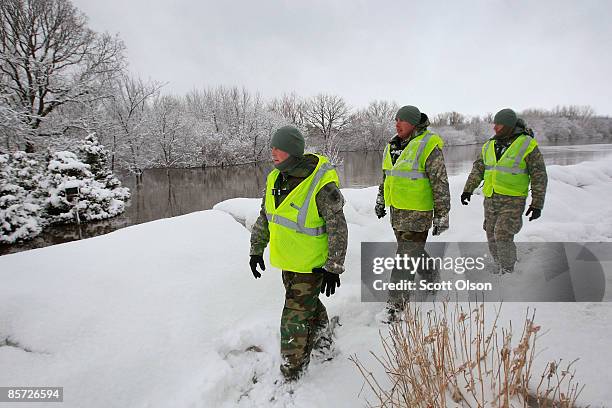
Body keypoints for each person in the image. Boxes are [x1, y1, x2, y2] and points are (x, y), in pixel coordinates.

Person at [249, 125, 348, 382]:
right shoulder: (275, 178)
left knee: (293, 318)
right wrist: (256, 249)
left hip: (313, 266)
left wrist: (333, 266)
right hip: (288, 262)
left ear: (292, 150)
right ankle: (324, 341)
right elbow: (266, 216)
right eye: (271, 146)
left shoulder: (320, 182)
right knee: (307, 306)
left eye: (278, 147)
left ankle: (291, 372)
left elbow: (338, 226)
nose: (272, 151)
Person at [375, 105, 450, 322]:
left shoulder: (428, 145)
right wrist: (381, 199)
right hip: (397, 211)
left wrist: (442, 214)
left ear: (414, 123)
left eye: (402, 120)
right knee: (409, 251)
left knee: (405, 257)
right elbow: (387, 176)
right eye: (396, 120)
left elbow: (440, 182)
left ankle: (395, 306)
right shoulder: (392, 146)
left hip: (419, 212)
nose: (397, 124)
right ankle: (430, 274)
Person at [462, 108, 548, 274]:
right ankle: (499, 264)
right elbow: (478, 169)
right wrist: (468, 190)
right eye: (494, 123)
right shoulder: (489, 145)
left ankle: (508, 272)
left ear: (508, 125)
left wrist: (537, 203)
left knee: (502, 234)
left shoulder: (526, 144)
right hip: (491, 197)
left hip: (513, 199)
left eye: (498, 124)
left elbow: (539, 176)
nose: (495, 127)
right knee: (490, 233)